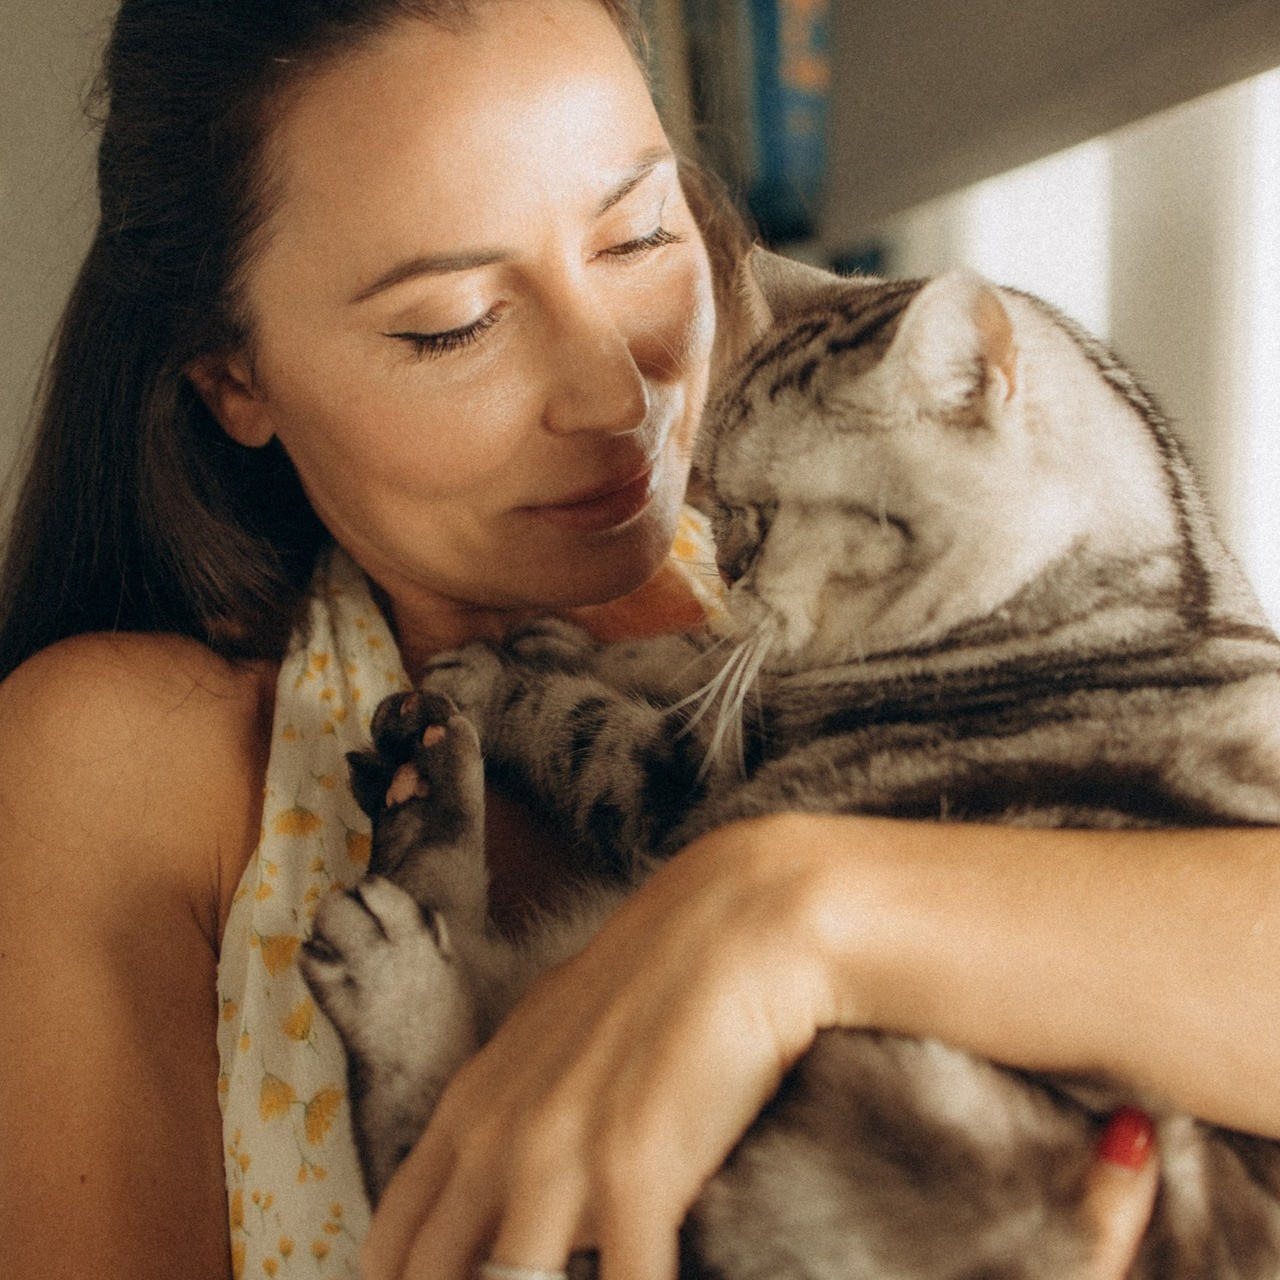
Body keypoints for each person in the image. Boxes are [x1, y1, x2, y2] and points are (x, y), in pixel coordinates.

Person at [3, 1, 1278, 1277]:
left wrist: (788, 913)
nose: (617, 392)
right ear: (237, 377)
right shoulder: (129, 760)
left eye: (640, 234)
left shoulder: (922, 600)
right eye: (454, 320)